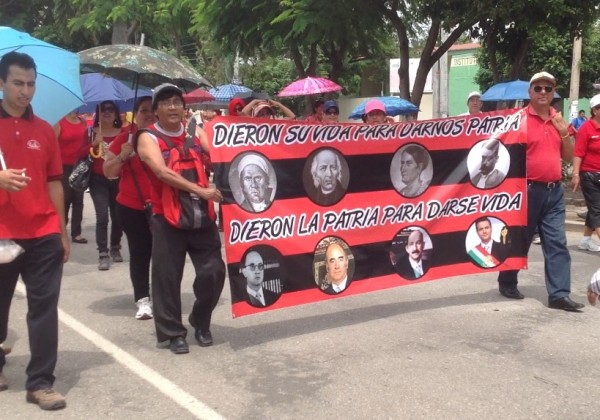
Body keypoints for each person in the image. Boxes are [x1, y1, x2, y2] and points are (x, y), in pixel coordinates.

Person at [0, 51, 68, 410]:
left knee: (44, 307)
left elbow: (55, 182)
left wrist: (62, 229)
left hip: (42, 230)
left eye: (31, 83)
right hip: (1, 233)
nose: (26, 91)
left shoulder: (44, 129)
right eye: (18, 83)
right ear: (1, 83)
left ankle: (40, 382)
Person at [136, 83, 225, 354]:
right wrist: (201, 190)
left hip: (201, 217)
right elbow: (162, 173)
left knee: (214, 272)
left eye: (177, 102)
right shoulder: (147, 138)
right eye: (165, 103)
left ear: (184, 108)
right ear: (156, 110)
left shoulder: (197, 133)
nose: (173, 107)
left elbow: (221, 156)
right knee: (167, 277)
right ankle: (173, 332)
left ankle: (200, 318)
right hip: (166, 217)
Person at [497, 71, 584, 311]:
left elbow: (567, 155)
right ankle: (507, 281)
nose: (543, 92)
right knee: (520, 240)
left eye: (548, 88)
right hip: (527, 190)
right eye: (538, 88)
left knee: (557, 243)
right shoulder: (519, 120)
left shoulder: (559, 119)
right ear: (530, 93)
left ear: (553, 92)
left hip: (554, 192)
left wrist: (564, 133)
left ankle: (558, 294)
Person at [103, 96, 155, 320]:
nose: (149, 114)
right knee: (140, 253)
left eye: (153, 110)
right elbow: (108, 171)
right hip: (132, 208)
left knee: (165, 255)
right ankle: (143, 299)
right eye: (143, 111)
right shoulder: (125, 138)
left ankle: (164, 295)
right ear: (136, 114)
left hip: (163, 208)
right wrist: (123, 155)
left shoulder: (165, 138)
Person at [89, 100, 126, 270]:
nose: (107, 112)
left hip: (118, 179)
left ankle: (115, 247)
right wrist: (94, 144)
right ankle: (103, 253)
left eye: (111, 109)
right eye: (103, 109)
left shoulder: (124, 133)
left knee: (118, 216)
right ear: (98, 113)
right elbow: (79, 154)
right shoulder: (91, 132)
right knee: (102, 217)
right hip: (98, 180)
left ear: (116, 113)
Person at [54, 111, 88, 244]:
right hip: (63, 166)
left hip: (79, 165)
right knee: (65, 198)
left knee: (78, 200)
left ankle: (76, 233)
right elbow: (53, 144)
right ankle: (61, 230)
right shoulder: (60, 122)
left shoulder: (83, 122)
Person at [571, 94, 600, 253]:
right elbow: (578, 153)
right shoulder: (586, 128)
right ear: (595, 110)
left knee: (594, 209)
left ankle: (585, 240)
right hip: (589, 175)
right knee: (597, 210)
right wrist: (575, 174)